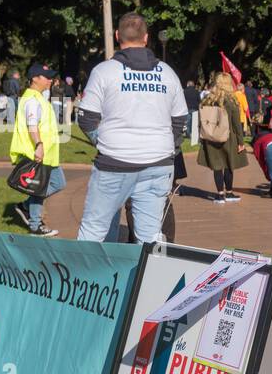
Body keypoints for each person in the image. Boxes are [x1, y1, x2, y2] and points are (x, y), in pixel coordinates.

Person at [75, 13, 188, 243]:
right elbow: (180, 121)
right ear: (146, 38)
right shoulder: (168, 73)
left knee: (95, 229)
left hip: (114, 163)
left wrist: (102, 140)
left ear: (117, 36)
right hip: (158, 164)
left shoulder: (104, 71)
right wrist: (166, 146)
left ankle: (90, 277)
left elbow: (86, 118)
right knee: (150, 236)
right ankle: (151, 278)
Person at [10, 64, 65, 237]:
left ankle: (26, 206)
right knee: (39, 188)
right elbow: (32, 125)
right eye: (46, 77)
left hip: (48, 154)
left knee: (56, 183)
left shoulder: (38, 97)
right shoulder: (32, 100)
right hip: (38, 153)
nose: (50, 80)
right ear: (35, 78)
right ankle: (35, 225)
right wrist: (39, 145)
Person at [196, 72, 247, 203]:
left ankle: (219, 194)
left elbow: (201, 119)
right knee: (229, 164)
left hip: (211, 137)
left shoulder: (207, 99)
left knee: (217, 165)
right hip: (228, 137)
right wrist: (241, 141)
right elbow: (237, 125)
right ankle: (229, 193)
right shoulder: (231, 101)